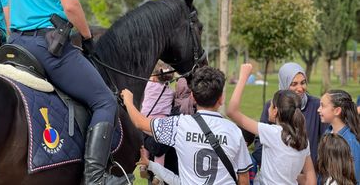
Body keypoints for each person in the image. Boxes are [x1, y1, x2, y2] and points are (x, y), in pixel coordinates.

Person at [7, 0, 117, 183]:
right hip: (46, 46)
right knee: (105, 101)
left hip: (15, 44)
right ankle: (95, 177)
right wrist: (88, 37)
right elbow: (70, 7)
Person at [122, 66, 253, 185]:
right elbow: (244, 178)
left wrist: (128, 101)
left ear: (193, 97)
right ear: (221, 98)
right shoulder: (234, 132)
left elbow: (140, 122)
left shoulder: (179, 124)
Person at [227, 64, 316, 185]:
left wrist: (243, 77)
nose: (268, 107)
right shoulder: (303, 140)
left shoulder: (271, 132)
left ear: (275, 111)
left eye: (271, 105)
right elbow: (310, 179)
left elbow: (231, 112)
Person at [252, 62, 327, 169]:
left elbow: (326, 140)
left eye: (303, 82)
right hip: (279, 173)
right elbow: (260, 142)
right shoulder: (272, 106)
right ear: (284, 84)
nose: (300, 88)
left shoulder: (316, 106)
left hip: (310, 174)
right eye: (294, 84)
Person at [140, 61, 175, 185]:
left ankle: (143, 166)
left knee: (145, 144)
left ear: (154, 77)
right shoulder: (171, 93)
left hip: (145, 119)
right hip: (161, 123)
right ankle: (158, 176)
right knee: (160, 151)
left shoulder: (148, 85)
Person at [317, 90, 360, 183]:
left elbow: (356, 178)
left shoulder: (351, 142)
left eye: (322, 106)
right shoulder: (327, 133)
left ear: (337, 111)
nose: (318, 109)